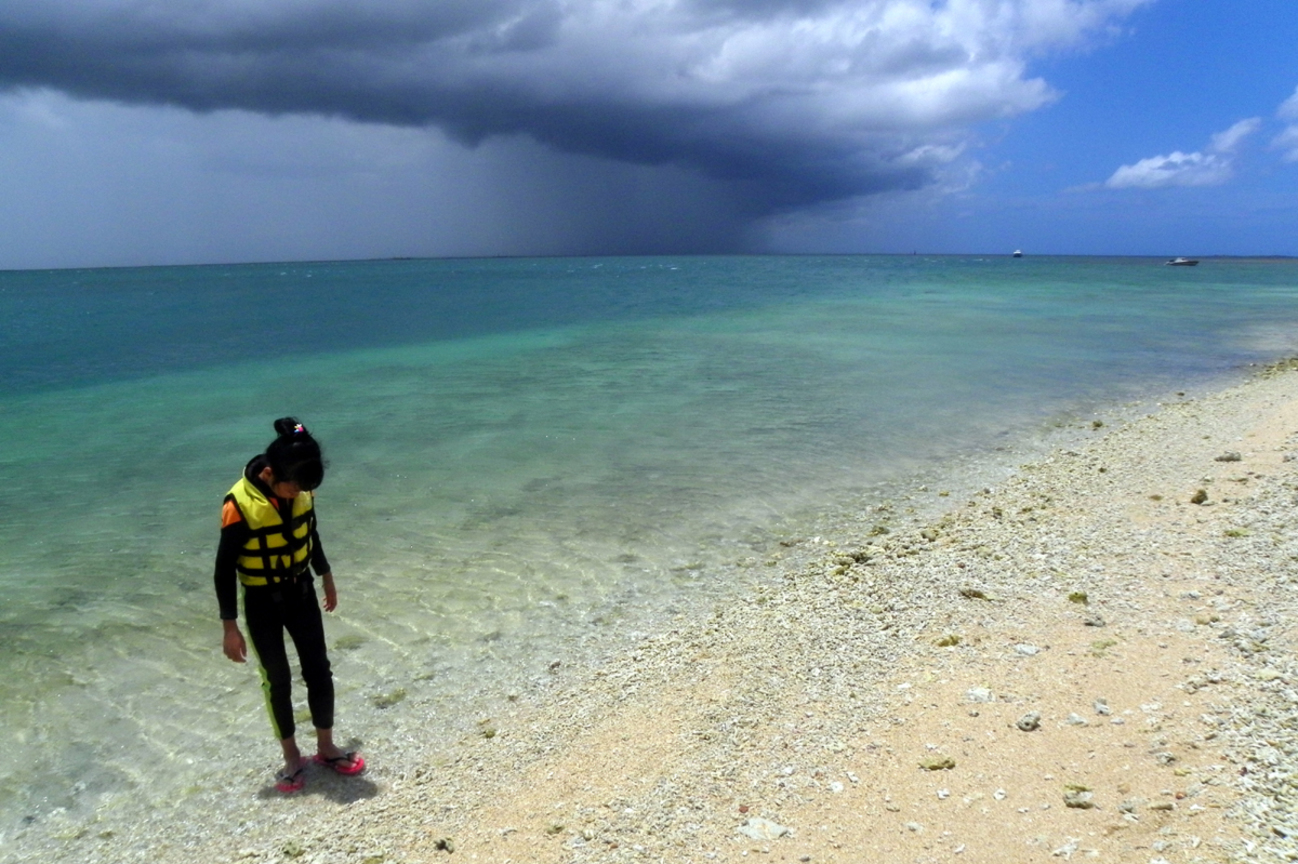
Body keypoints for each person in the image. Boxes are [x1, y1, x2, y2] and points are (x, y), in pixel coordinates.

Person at [214, 417, 364, 793]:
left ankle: (326, 748)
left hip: (302, 592)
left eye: (304, 487)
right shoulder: (239, 505)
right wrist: (230, 627)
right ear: (269, 473)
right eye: (293, 486)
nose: (298, 493)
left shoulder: (301, 488)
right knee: (277, 679)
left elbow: (310, 533)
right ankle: (292, 757)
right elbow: (223, 570)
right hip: (262, 601)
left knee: (319, 669)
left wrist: (326, 575)